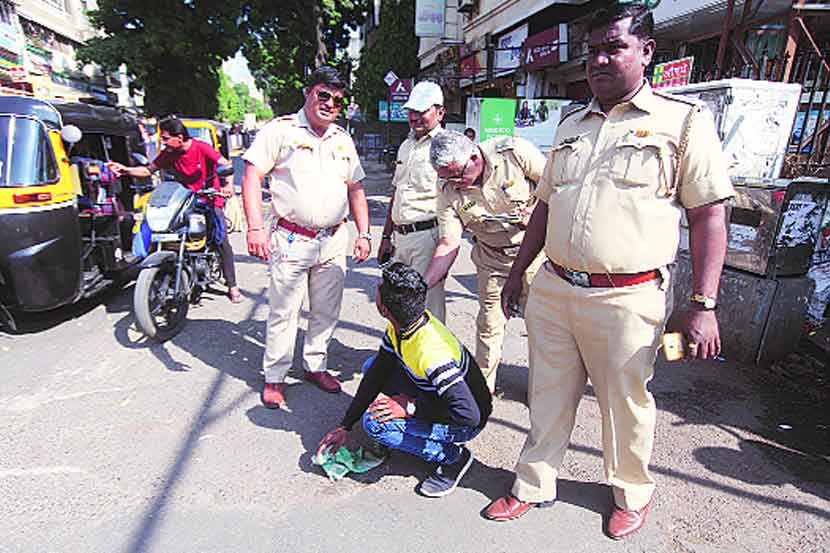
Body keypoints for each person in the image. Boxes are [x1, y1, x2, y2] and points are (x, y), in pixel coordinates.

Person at [483, 4, 734, 540]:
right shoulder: (573, 123)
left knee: (626, 405)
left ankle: (630, 493)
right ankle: (532, 483)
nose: (598, 59)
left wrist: (704, 304)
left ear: (646, 51)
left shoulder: (682, 122)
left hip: (628, 297)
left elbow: (710, 212)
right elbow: (546, 205)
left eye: (613, 47)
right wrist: (518, 272)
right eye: (592, 50)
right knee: (546, 392)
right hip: (554, 287)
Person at [241, 66, 371, 409]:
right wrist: (255, 227)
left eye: (337, 100)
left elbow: (356, 189)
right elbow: (252, 175)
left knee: (326, 311)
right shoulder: (281, 131)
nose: (329, 104)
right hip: (293, 239)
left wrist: (364, 233)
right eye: (323, 95)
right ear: (308, 93)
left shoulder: (342, 138)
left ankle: (316, 365)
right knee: (284, 311)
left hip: (333, 240)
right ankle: (275, 376)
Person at [317, 262, 492, 497]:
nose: (375, 288)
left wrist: (410, 407)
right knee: (371, 367)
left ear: (383, 308)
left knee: (375, 424)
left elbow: (470, 415)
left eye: (378, 288)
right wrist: (345, 425)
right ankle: (409, 428)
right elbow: (378, 371)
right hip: (435, 396)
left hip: (462, 421)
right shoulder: (404, 326)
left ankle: (453, 458)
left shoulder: (431, 353)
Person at [423, 130, 547, 392]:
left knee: (542, 327)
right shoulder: (446, 186)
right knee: (489, 325)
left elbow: (558, 189)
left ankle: (543, 391)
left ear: (474, 158)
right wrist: (423, 285)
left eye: (457, 175)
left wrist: (536, 214)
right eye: (447, 178)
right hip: (491, 259)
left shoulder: (514, 153)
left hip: (536, 256)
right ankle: (482, 392)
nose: (454, 184)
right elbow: (449, 242)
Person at [107, 117, 241, 303]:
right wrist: (126, 170)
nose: (163, 142)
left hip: (209, 198)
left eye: (166, 138)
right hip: (183, 200)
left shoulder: (201, 147)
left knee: (220, 239)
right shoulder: (169, 153)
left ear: (179, 137)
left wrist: (228, 185)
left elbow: (225, 164)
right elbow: (148, 170)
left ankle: (232, 285)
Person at [377, 81, 447, 322]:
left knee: (427, 307)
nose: (414, 117)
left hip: (427, 237)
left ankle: (433, 359)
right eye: (411, 111)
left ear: (440, 112)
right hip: (400, 239)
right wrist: (386, 237)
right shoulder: (406, 146)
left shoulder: (445, 147)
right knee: (398, 305)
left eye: (422, 111)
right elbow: (397, 193)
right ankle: (401, 357)